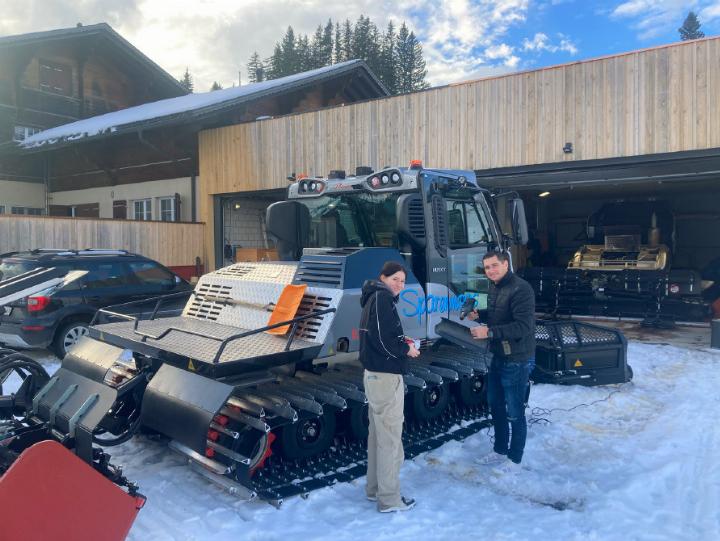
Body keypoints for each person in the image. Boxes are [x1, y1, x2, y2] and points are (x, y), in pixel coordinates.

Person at [359, 261, 420, 512]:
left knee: (378, 437)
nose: (400, 285)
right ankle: (389, 499)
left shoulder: (372, 298)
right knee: (390, 440)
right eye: (395, 279)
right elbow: (385, 341)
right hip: (386, 376)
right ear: (382, 277)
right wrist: (407, 348)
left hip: (374, 374)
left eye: (403, 281)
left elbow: (378, 336)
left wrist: (400, 341)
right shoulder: (382, 299)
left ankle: (375, 489)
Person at [468, 251, 535, 471]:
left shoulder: (521, 289)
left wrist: (489, 332)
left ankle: (515, 459)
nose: (490, 271)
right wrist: (481, 315)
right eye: (486, 268)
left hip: (516, 358)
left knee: (514, 411)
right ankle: (499, 450)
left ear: (506, 264)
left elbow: (523, 327)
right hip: (498, 356)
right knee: (495, 405)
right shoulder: (495, 286)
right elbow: (499, 315)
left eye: (494, 265)